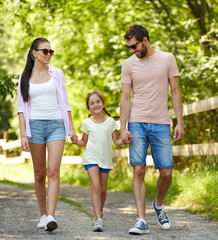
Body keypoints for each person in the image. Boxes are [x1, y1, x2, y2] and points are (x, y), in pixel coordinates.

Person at [120, 25, 185, 235]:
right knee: (138, 169)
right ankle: (141, 220)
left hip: (161, 123)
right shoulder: (127, 65)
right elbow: (125, 97)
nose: (132, 51)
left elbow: (175, 91)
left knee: (166, 172)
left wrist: (180, 122)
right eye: (129, 47)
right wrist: (122, 127)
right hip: (136, 121)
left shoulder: (167, 58)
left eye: (134, 46)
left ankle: (158, 204)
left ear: (145, 40)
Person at [17, 38, 77, 232]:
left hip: (56, 125)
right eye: (45, 51)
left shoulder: (57, 74)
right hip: (34, 126)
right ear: (34, 53)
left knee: (53, 171)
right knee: (39, 173)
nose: (49, 54)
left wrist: (71, 128)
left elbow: (65, 103)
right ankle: (42, 214)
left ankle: (51, 216)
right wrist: (23, 134)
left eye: (51, 51)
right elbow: (21, 108)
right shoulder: (24, 77)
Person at [71, 91, 123, 232]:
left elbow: (116, 141)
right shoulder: (87, 123)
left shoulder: (111, 122)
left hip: (105, 159)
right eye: (92, 103)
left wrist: (124, 140)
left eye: (98, 101)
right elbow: (84, 142)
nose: (95, 105)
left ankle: (100, 210)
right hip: (91, 158)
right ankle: (98, 218)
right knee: (96, 186)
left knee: (103, 190)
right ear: (88, 108)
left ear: (103, 103)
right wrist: (76, 141)